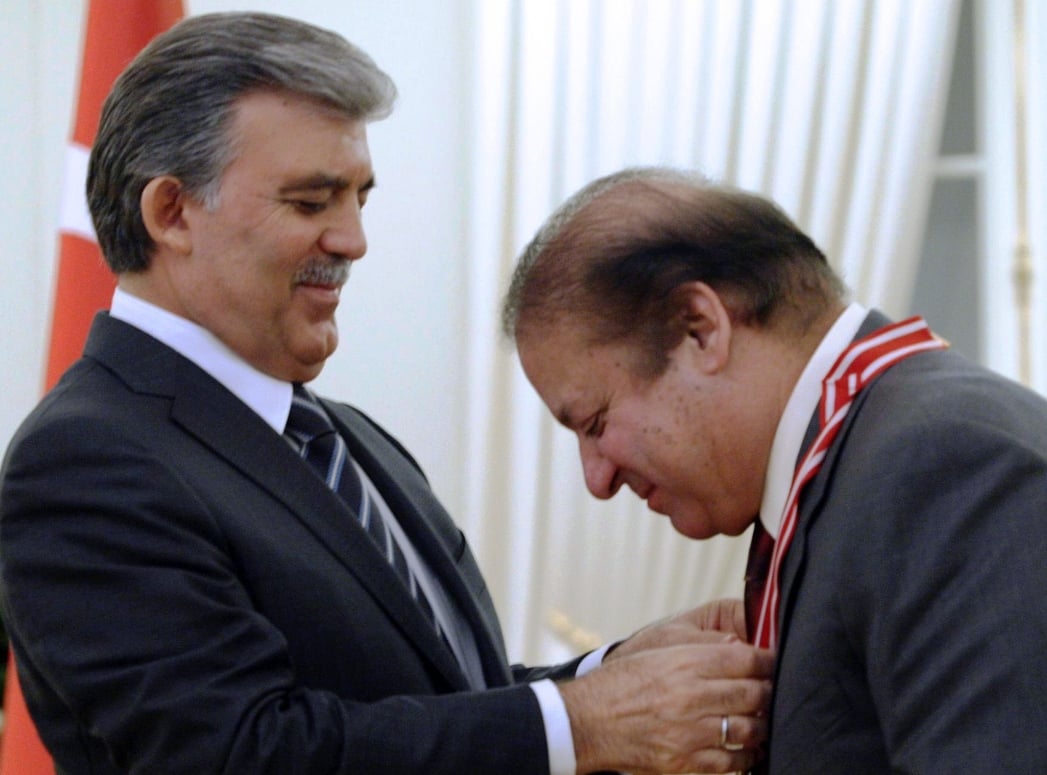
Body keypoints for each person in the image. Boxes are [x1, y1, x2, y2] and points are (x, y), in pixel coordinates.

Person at [0, 14, 775, 775]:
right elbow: (243, 753)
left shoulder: (346, 437)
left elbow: (444, 700)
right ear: (171, 213)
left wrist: (619, 676)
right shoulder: (83, 462)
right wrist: (587, 723)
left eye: (359, 198)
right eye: (311, 201)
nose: (352, 240)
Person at [501, 166, 1047, 773]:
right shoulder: (863, 462)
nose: (596, 480)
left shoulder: (947, 465)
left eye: (596, 423)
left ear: (699, 329)